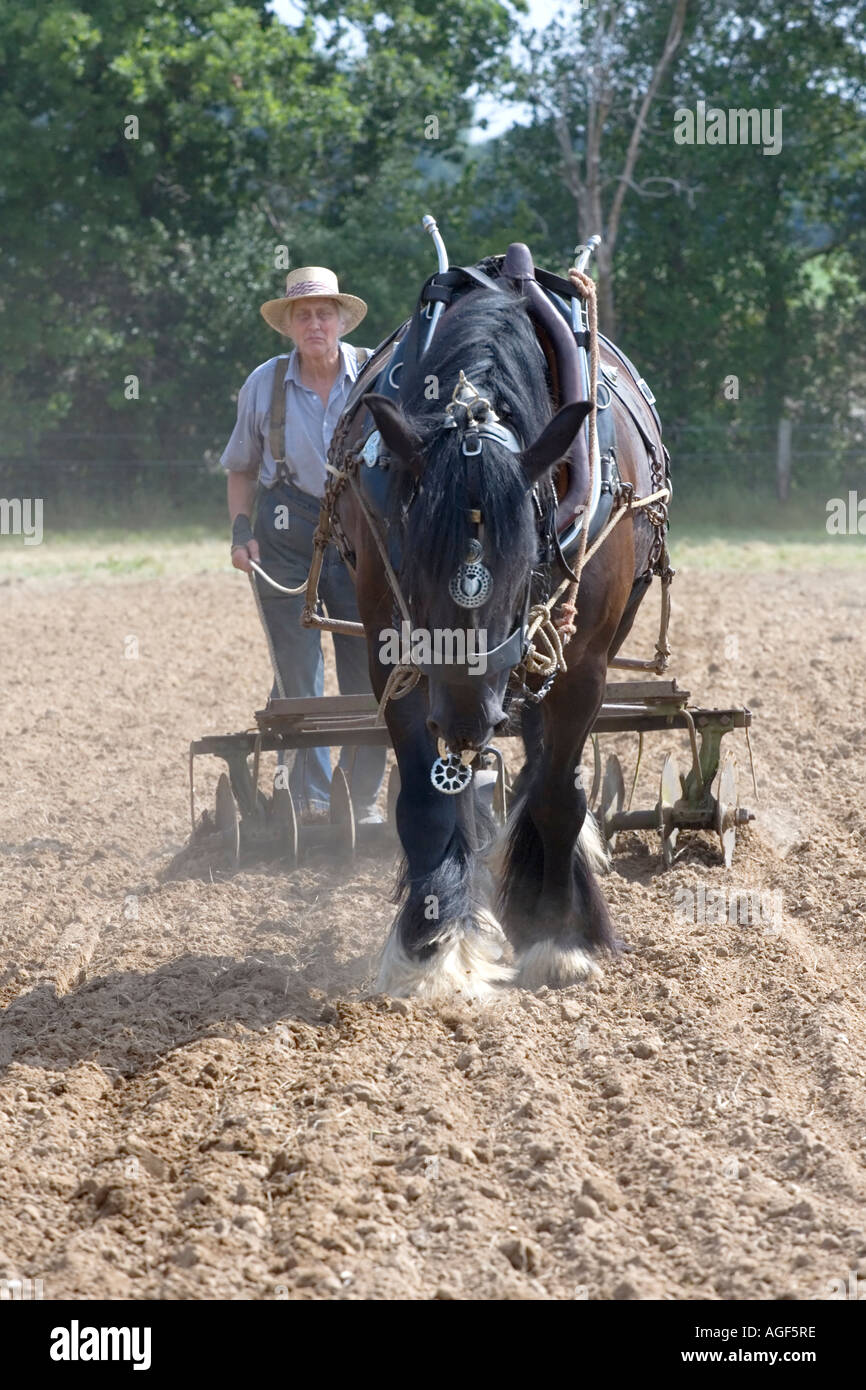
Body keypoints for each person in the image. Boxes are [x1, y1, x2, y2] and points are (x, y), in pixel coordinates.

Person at [221, 266, 386, 823]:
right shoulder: (263, 384)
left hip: (362, 537)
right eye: (303, 315)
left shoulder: (375, 375)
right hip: (287, 538)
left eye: (323, 313)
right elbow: (241, 468)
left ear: (340, 319)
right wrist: (242, 533)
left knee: (369, 665)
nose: (314, 323)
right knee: (298, 668)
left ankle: (359, 797)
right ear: (289, 325)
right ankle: (314, 798)